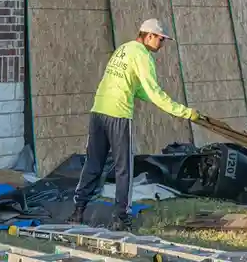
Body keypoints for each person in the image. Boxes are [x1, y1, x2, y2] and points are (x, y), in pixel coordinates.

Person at [73, 18, 200, 230]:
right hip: (118, 114)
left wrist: (151, 98)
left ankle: (77, 211)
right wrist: (184, 112)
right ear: (149, 36)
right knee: (124, 169)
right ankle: (121, 218)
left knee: (93, 164)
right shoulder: (143, 56)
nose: (162, 44)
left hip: (98, 112)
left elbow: (137, 89)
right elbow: (154, 92)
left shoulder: (124, 49)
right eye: (161, 39)